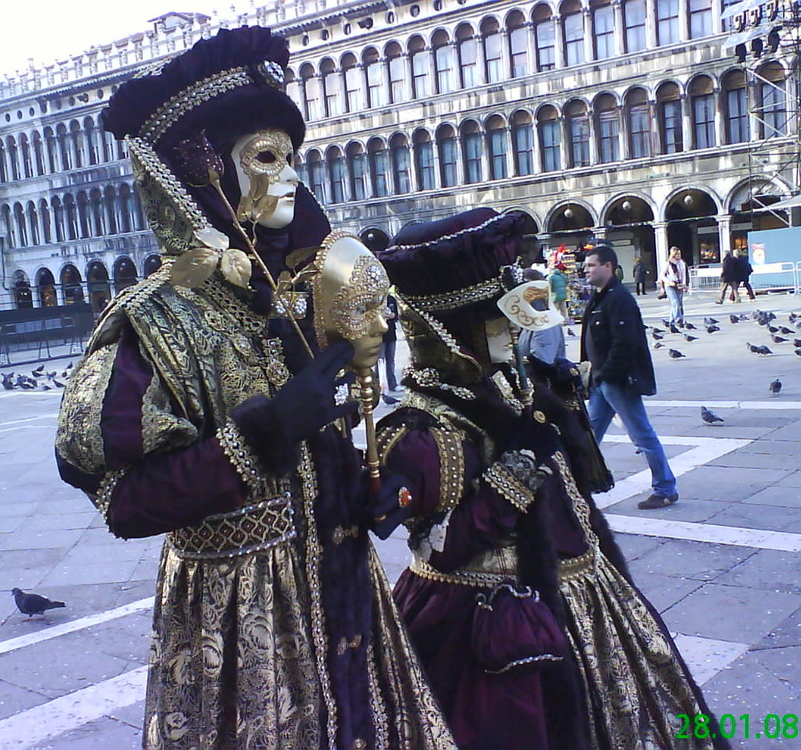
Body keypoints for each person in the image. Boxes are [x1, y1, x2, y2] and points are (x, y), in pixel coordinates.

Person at [55, 27, 454, 750]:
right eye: (265, 157)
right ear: (201, 172)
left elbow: (328, 452)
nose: (290, 177)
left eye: (293, 158)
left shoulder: (300, 298)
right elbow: (122, 498)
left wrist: (373, 492)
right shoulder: (156, 321)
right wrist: (259, 438)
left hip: (347, 596)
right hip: (244, 621)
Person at [375, 209, 728, 750]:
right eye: (497, 321)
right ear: (456, 332)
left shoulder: (514, 387)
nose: (513, 331)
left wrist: (555, 416)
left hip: (580, 596)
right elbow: (442, 545)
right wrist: (520, 460)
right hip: (488, 620)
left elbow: (576, 485)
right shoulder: (423, 431)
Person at [582, 242, 679, 510]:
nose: (585, 269)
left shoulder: (619, 299)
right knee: (588, 436)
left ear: (608, 267)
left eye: (591, 265)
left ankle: (665, 488)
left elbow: (625, 342)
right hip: (601, 382)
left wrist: (609, 375)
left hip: (616, 382)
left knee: (642, 435)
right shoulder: (600, 297)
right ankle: (579, 487)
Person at [378, 293, 400, 404]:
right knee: (379, 361)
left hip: (391, 333)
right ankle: (379, 386)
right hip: (379, 335)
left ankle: (393, 384)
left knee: (390, 360)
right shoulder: (376, 299)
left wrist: (392, 315)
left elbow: (397, 316)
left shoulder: (391, 299)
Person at [660, 246, 688, 325]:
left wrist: (684, 285)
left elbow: (683, 275)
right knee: (675, 302)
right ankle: (678, 318)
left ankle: (671, 322)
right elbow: (661, 275)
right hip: (670, 285)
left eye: (680, 254)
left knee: (677, 304)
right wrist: (668, 282)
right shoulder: (668, 264)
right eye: (677, 254)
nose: (679, 256)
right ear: (673, 255)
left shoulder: (682, 263)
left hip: (679, 285)